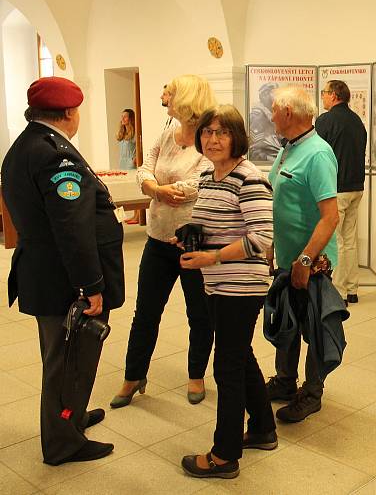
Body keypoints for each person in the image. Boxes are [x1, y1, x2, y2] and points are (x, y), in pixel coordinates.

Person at [2, 77, 124, 465]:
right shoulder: (57, 156)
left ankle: (70, 418)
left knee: (62, 355)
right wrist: (90, 286)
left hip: (43, 272)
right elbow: (72, 229)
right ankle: (62, 442)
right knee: (70, 360)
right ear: (70, 113)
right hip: (65, 280)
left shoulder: (23, 147)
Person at [179, 105, 277, 479]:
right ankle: (264, 428)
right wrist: (189, 234)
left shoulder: (249, 179)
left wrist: (213, 256)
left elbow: (261, 238)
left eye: (222, 132)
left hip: (241, 284)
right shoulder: (208, 174)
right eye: (207, 132)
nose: (213, 139)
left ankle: (224, 455)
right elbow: (214, 221)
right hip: (217, 282)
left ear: (238, 137)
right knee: (239, 354)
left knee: (227, 365)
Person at [111, 74, 216, 408]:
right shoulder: (165, 135)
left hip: (193, 240)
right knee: (146, 313)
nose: (163, 96)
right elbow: (144, 169)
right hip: (157, 239)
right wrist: (155, 188)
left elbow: (203, 182)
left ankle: (196, 374)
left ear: (185, 97)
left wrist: (166, 188)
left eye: (167, 91)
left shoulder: (208, 140)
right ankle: (133, 375)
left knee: (199, 314)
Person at [264, 86, 339, 423]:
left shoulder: (318, 153)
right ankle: (284, 381)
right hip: (287, 258)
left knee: (315, 327)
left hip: (312, 262)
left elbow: (330, 216)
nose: (270, 116)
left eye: (273, 110)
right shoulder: (289, 149)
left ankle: (311, 392)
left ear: (288, 113)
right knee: (287, 321)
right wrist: (271, 245)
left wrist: (305, 261)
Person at [316, 80, 367, 305]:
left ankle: (338, 292)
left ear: (334, 95)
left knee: (335, 241)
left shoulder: (325, 121)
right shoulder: (358, 121)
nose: (323, 97)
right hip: (356, 187)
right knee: (349, 240)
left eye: (324, 93)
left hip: (335, 189)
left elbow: (317, 155)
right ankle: (352, 288)